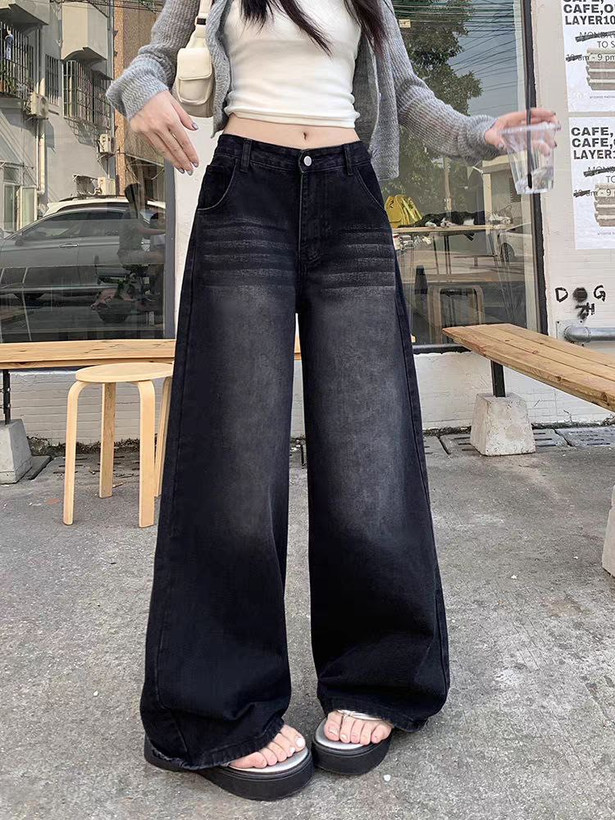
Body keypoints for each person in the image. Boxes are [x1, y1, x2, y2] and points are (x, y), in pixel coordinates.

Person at [106, 0, 559, 801]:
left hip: (350, 196)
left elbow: (404, 92)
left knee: (370, 450)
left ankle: (379, 675)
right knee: (233, 460)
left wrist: (481, 133)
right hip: (246, 190)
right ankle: (214, 707)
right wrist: (140, 93)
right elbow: (150, 59)